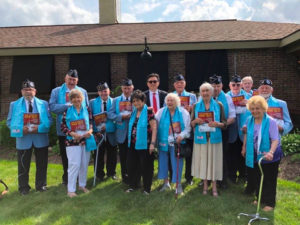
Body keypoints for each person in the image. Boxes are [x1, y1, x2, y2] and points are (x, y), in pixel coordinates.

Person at [7, 79, 52, 195]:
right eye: (26, 90)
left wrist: (40, 128)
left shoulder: (44, 104)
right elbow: (9, 122)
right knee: (23, 165)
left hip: (40, 138)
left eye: (30, 89)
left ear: (35, 91)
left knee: (42, 164)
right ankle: (23, 188)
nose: (28, 92)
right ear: (22, 92)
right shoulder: (14, 104)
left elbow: (49, 120)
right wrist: (20, 129)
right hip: (23, 139)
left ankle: (41, 185)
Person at [241, 95, 281, 211]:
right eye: (252, 109)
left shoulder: (271, 122)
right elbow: (247, 135)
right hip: (254, 155)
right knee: (257, 177)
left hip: (269, 155)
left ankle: (270, 203)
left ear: (263, 108)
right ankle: (259, 198)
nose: (255, 111)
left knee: (269, 179)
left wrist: (271, 152)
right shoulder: (249, 120)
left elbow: (275, 139)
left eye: (257, 108)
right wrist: (244, 147)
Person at [49, 69, 89, 185]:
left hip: (80, 131)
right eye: (70, 79)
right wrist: (67, 106)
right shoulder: (56, 91)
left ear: (77, 80)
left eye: (74, 80)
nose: (72, 82)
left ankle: (79, 179)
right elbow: (52, 107)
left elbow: (86, 108)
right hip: (64, 130)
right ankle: (67, 179)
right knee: (66, 155)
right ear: (65, 79)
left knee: (80, 156)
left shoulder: (83, 91)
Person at [191, 82, 226, 197]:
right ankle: (205, 185)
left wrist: (218, 124)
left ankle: (214, 186)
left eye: (207, 91)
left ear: (211, 92)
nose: (205, 93)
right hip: (201, 138)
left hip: (214, 139)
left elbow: (224, 123)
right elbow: (191, 124)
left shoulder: (219, 105)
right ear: (200, 93)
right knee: (204, 162)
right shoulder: (196, 106)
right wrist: (195, 121)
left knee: (214, 162)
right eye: (203, 91)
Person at [61, 89, 96, 198]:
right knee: (74, 165)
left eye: (78, 97)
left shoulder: (87, 109)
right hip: (72, 141)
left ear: (82, 98)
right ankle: (70, 190)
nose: (76, 99)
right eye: (74, 98)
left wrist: (90, 131)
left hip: (85, 141)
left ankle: (82, 185)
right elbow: (63, 126)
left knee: (84, 164)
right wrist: (72, 133)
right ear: (71, 100)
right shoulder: (67, 111)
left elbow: (90, 123)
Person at [156, 93, 191, 194]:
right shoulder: (161, 112)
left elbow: (188, 128)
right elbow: (155, 125)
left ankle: (178, 185)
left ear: (177, 102)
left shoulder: (183, 113)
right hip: (163, 141)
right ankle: (166, 183)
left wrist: (182, 136)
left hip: (177, 142)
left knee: (177, 163)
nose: (170, 102)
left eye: (172, 100)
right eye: (168, 100)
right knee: (163, 162)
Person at [126, 90, 157, 194]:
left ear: (143, 101)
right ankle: (133, 185)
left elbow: (154, 128)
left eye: (138, 101)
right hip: (133, 144)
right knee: (132, 165)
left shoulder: (149, 111)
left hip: (146, 144)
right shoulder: (133, 112)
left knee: (146, 167)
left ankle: (147, 188)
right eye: (134, 101)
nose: (136, 103)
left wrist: (152, 143)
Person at [209, 75, 236, 189]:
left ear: (222, 86)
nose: (215, 88)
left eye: (218, 86)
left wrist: (222, 125)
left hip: (222, 131)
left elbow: (232, 117)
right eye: (213, 86)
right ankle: (207, 179)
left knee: (222, 156)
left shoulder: (227, 98)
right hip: (208, 131)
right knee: (208, 155)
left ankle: (222, 180)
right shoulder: (204, 97)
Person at [108, 78, 134, 184]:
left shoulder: (136, 99)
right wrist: (120, 117)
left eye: (128, 88)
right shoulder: (116, 100)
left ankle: (134, 175)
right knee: (123, 156)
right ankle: (125, 177)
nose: (126, 90)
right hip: (121, 132)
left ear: (132, 88)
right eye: (124, 88)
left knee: (133, 156)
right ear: (121, 88)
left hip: (133, 132)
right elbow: (110, 114)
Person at [90, 82, 118, 181]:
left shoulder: (115, 101)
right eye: (101, 91)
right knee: (98, 153)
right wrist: (95, 130)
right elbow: (91, 118)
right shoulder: (92, 102)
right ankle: (99, 174)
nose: (103, 93)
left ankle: (111, 173)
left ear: (109, 91)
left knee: (112, 154)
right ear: (98, 92)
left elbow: (116, 117)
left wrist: (108, 127)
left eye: (105, 91)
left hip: (111, 133)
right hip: (98, 133)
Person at [173, 74, 197, 185]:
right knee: (173, 154)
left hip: (188, 129)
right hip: (174, 129)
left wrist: (191, 109)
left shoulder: (192, 97)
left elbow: (197, 113)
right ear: (174, 84)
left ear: (185, 83)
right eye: (177, 83)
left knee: (189, 154)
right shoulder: (170, 96)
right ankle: (173, 176)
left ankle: (189, 177)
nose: (179, 84)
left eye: (181, 82)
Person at [227, 75, 250, 183]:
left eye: (238, 85)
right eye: (233, 85)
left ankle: (243, 175)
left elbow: (253, 114)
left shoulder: (249, 97)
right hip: (231, 130)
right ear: (230, 85)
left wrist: (248, 104)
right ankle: (231, 175)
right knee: (231, 154)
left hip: (244, 131)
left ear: (241, 85)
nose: (235, 87)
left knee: (243, 154)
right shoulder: (226, 97)